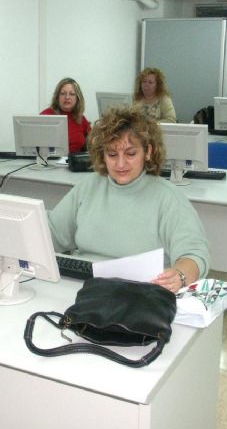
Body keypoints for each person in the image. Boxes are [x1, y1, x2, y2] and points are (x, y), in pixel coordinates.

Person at [48, 105, 209, 293]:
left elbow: (195, 254)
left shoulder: (168, 198)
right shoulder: (88, 187)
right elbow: (53, 234)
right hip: (81, 287)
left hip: (139, 292)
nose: (120, 163)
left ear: (148, 152)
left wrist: (180, 275)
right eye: (112, 154)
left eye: (131, 154)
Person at [41, 77, 91, 153]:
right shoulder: (46, 115)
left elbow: (93, 142)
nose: (67, 97)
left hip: (75, 159)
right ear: (57, 97)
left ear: (77, 98)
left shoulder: (80, 118)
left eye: (72, 94)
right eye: (63, 93)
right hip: (51, 159)